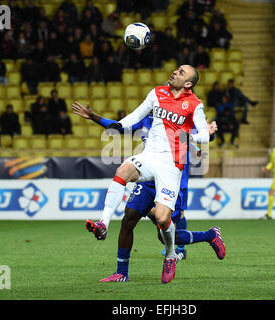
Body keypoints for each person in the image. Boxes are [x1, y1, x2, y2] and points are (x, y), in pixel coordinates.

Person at [81, 65, 217, 284]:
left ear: (188, 84)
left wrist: (203, 136)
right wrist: (96, 118)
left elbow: (202, 135)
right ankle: (103, 224)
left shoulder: (194, 105)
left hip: (172, 166)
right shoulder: (157, 93)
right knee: (123, 171)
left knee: (163, 219)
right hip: (150, 156)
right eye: (177, 69)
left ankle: (171, 254)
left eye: (181, 72)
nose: (175, 72)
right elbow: (129, 120)